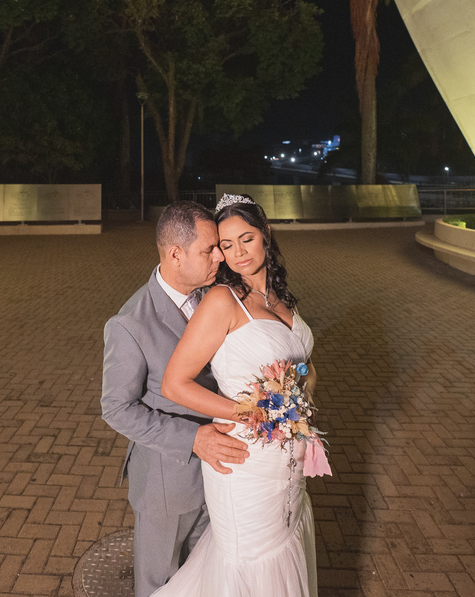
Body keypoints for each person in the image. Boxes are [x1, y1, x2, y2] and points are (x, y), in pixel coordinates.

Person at [154, 194, 322, 597]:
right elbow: (174, 384)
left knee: (282, 551)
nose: (237, 253)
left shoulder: (281, 298)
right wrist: (252, 413)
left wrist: (296, 402)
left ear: (266, 235)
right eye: (225, 246)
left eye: (246, 239)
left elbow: (307, 366)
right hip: (243, 462)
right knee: (248, 566)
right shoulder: (221, 301)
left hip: (287, 464)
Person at [102, 200, 252, 597]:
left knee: (204, 576)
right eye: (209, 250)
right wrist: (193, 439)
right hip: (168, 485)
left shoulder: (215, 296)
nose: (220, 256)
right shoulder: (129, 324)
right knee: (160, 585)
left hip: (221, 473)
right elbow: (116, 408)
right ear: (175, 254)